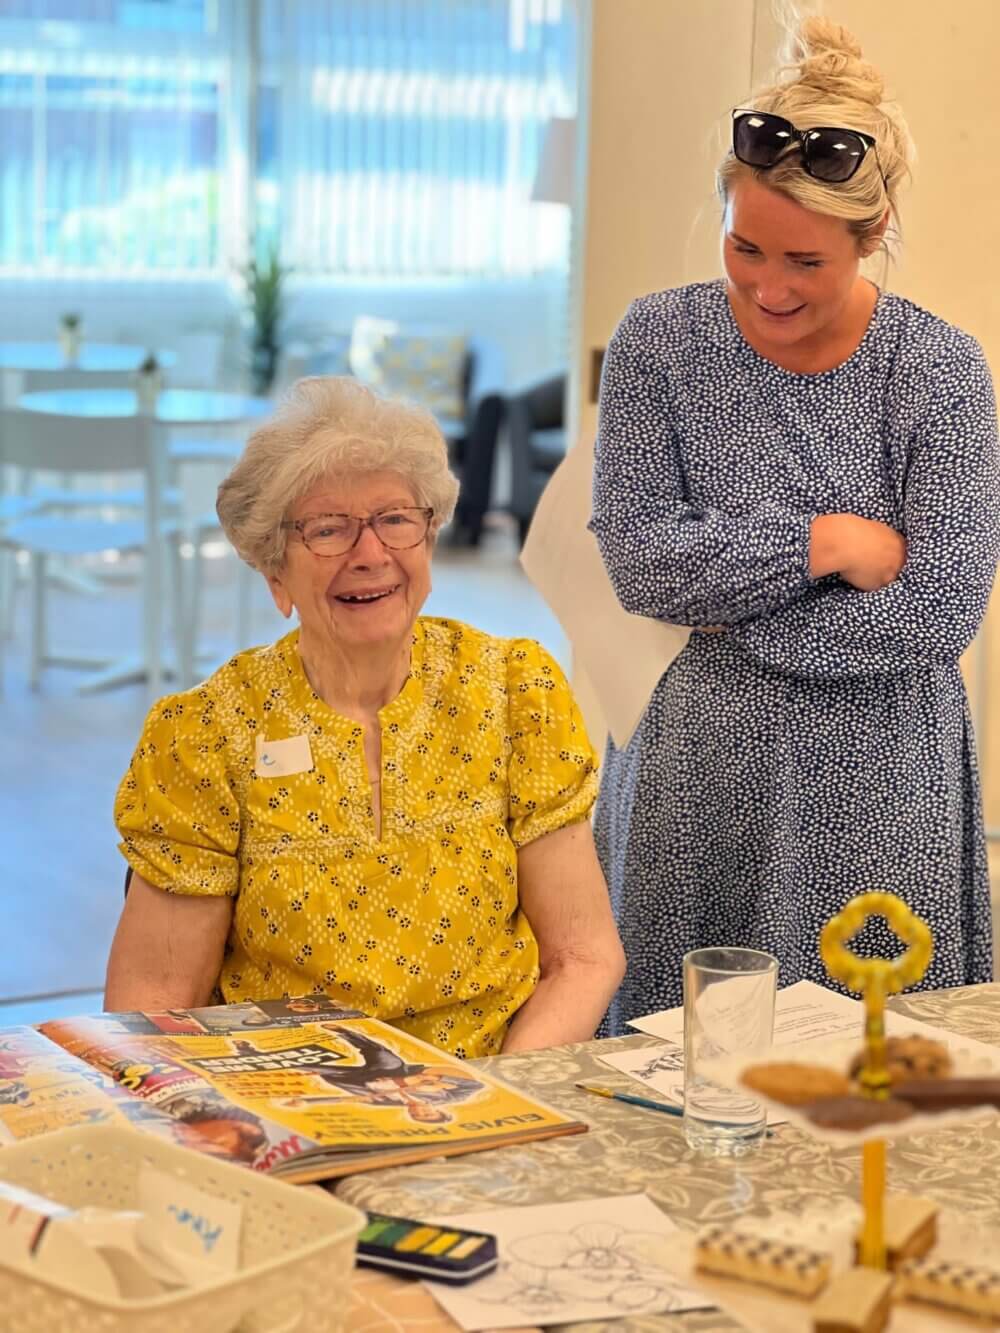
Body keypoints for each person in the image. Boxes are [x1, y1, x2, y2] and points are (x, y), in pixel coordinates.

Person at [590, 17, 1000, 1029]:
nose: (767, 287)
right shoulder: (656, 341)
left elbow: (934, 614)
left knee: (869, 1074)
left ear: (872, 233)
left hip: (876, 781)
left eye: (805, 262)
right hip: (695, 773)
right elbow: (640, 560)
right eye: (744, 247)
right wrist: (822, 543)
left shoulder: (939, 373)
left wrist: (730, 614)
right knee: (666, 1058)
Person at [106, 377, 625, 1058]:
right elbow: (152, 1010)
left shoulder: (512, 693)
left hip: (492, 1099)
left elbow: (583, 958)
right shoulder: (209, 735)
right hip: (289, 1110)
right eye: (327, 529)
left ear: (430, 536)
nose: (370, 553)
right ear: (275, 573)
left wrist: (495, 1103)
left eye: (396, 518)